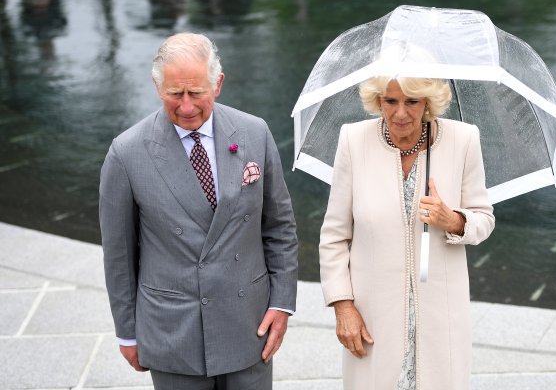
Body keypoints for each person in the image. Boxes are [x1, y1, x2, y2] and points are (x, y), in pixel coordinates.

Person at [99, 32, 298, 390]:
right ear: (158, 87)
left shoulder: (255, 133)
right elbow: (119, 254)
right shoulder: (126, 153)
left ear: (218, 83)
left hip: (249, 326)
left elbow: (280, 228)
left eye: (197, 93)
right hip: (174, 334)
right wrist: (127, 333)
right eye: (176, 94)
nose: (187, 106)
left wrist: (282, 303)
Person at [319, 75, 495, 390]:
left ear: (428, 102)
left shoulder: (464, 139)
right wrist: (342, 305)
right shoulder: (353, 140)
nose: (400, 113)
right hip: (373, 318)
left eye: (412, 102)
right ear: (378, 101)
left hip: (440, 318)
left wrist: (452, 218)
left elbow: (483, 219)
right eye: (391, 101)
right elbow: (334, 235)